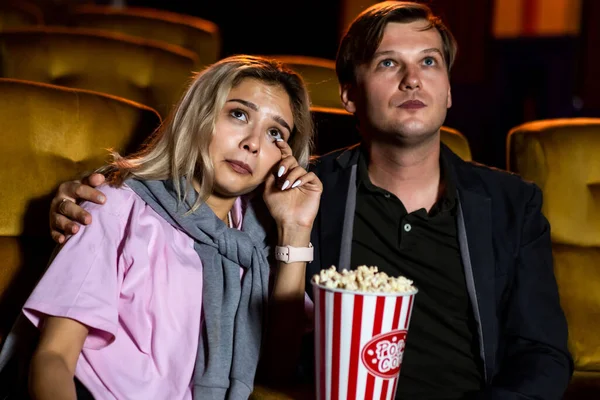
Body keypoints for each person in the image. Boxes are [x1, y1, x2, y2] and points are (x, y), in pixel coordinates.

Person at [47, 2, 573, 399]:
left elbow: (543, 354)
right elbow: (183, 202)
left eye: (429, 62)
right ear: (348, 94)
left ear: (449, 88)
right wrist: (92, 192)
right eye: (389, 63)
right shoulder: (297, 193)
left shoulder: (512, 204)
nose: (413, 78)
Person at [12, 55, 322, 399]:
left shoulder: (256, 241)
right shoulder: (116, 204)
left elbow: (276, 371)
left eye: (275, 133)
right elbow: (53, 358)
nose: (253, 143)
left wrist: (295, 230)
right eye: (238, 114)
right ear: (198, 116)